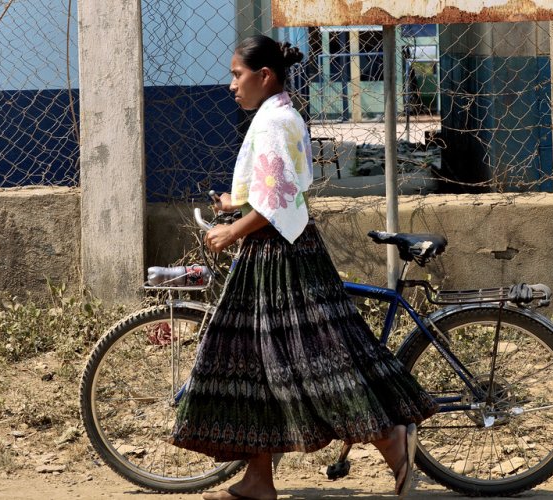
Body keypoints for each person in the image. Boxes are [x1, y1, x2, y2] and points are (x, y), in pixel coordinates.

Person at [169, 35, 438, 500]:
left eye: (237, 75)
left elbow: (276, 203)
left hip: (278, 257)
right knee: (260, 362)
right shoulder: (281, 115)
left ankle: (390, 438)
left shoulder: (274, 123)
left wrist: (232, 230)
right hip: (282, 249)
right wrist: (238, 202)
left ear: (264, 75)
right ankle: (258, 479)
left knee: (311, 363)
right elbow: (283, 189)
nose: (232, 85)